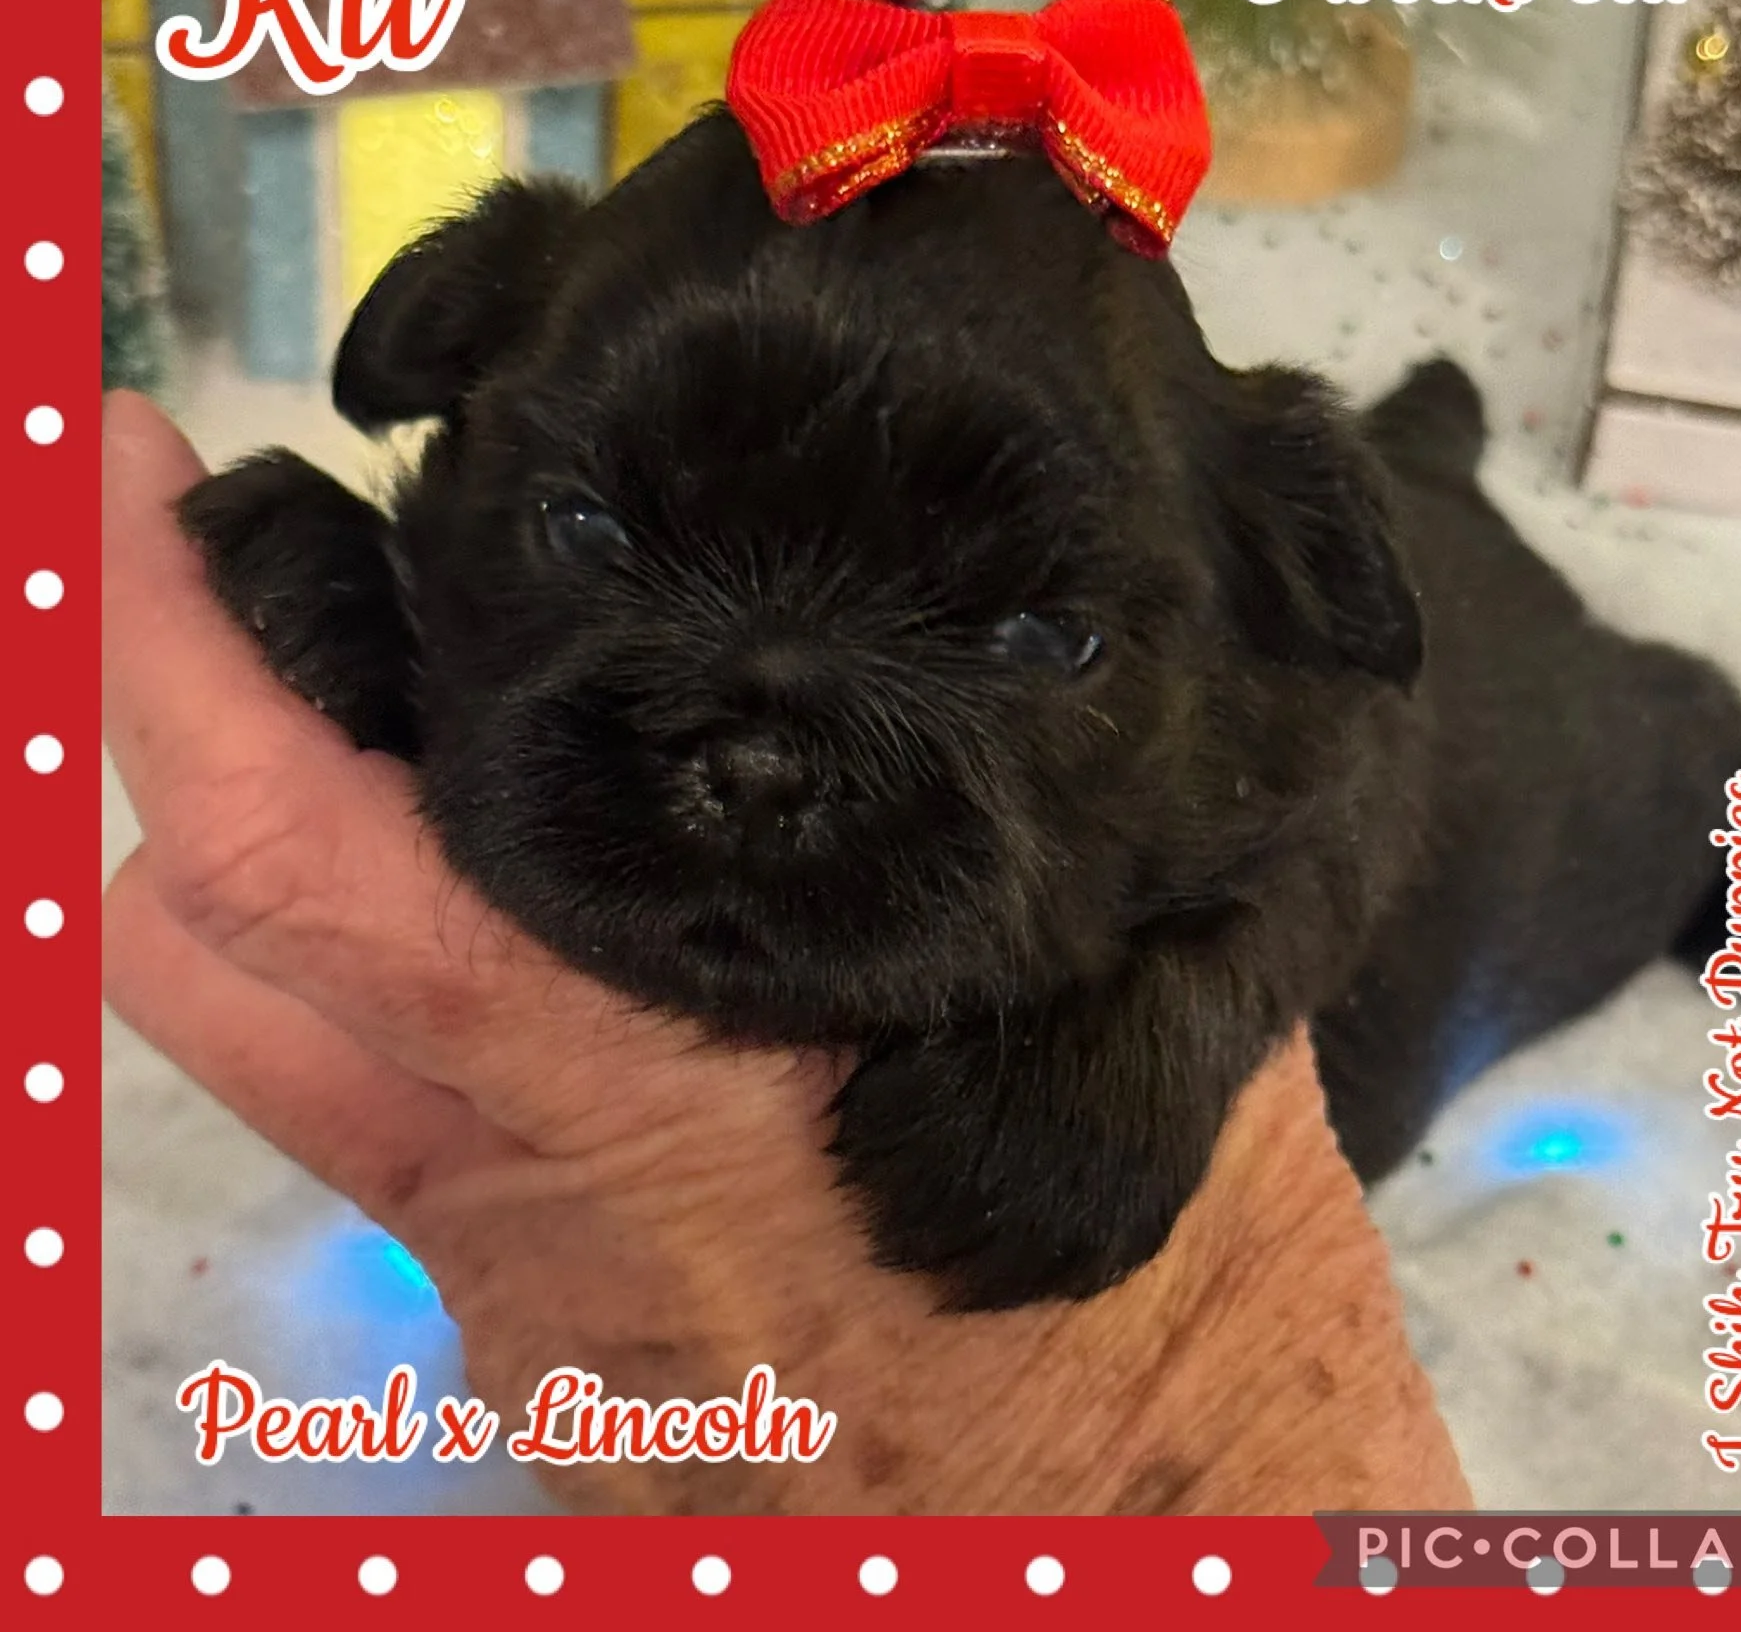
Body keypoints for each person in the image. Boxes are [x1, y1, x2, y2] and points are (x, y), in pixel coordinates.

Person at [100, 389, 1469, 1516]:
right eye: (588, 532)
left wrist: (1170, 1018)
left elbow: (1352, 758)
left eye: (1041, 639)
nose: (756, 768)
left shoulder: (1291, 683)